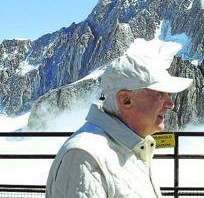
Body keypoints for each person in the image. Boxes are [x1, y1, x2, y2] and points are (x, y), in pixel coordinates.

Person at [46, 52, 193, 198]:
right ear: (126, 100)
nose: (171, 104)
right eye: (160, 94)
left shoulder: (133, 146)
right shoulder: (84, 157)